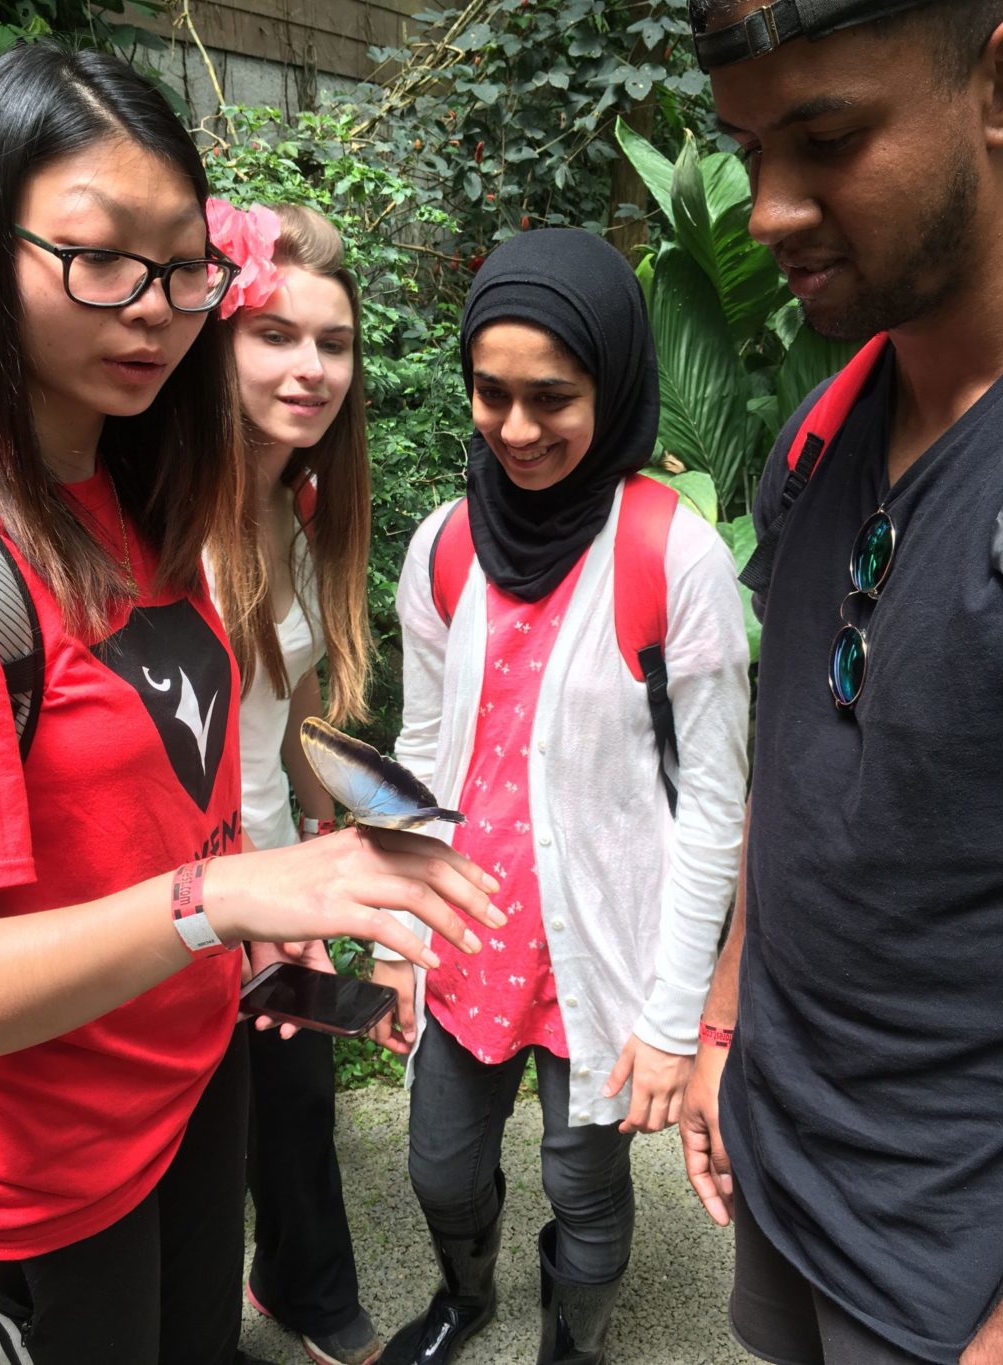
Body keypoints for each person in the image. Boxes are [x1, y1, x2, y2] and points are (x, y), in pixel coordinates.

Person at [0, 43, 503, 1365]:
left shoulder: (153, 503)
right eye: (102, 258)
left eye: (180, 267)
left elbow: (205, 772)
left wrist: (293, 900)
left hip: (191, 1082)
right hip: (45, 1178)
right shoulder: (1, 560)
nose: (151, 306)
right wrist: (226, 900)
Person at [678, 2, 1003, 1363]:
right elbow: (797, 752)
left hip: (948, 1263)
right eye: (751, 148)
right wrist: (726, 1015)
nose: (767, 211)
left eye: (825, 136)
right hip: (789, 1157)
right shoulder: (831, 420)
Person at [372, 227, 750, 1365]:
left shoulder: (673, 558)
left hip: (599, 948)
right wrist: (395, 937)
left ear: (613, 385)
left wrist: (675, 1020)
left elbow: (716, 810)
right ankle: (465, 1296)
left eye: (553, 397)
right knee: (439, 1159)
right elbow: (424, 749)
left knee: (581, 1181)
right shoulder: (444, 545)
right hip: (468, 934)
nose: (518, 429)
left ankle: (570, 1347)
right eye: (491, 395)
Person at [204, 198, 381, 1365]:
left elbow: (286, 716)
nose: (310, 368)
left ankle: (302, 1286)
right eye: (276, 334)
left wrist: (330, 836)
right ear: (214, 339)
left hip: (271, 879)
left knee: (299, 1099)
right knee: (195, 1140)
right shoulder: (151, 517)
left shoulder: (303, 511)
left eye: (333, 342)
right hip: (168, 888)